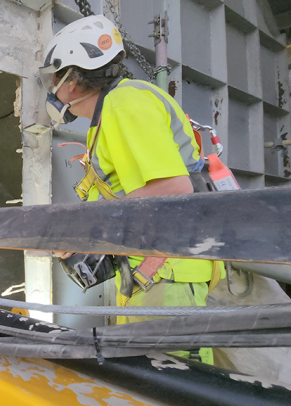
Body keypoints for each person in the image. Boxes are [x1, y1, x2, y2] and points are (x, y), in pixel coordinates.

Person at [40, 14, 221, 364]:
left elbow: (174, 188)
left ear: (73, 80)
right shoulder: (112, 111)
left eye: (54, 78)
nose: (52, 90)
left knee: (172, 383)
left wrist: (83, 226)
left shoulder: (124, 104)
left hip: (165, 277)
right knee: (148, 380)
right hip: (150, 275)